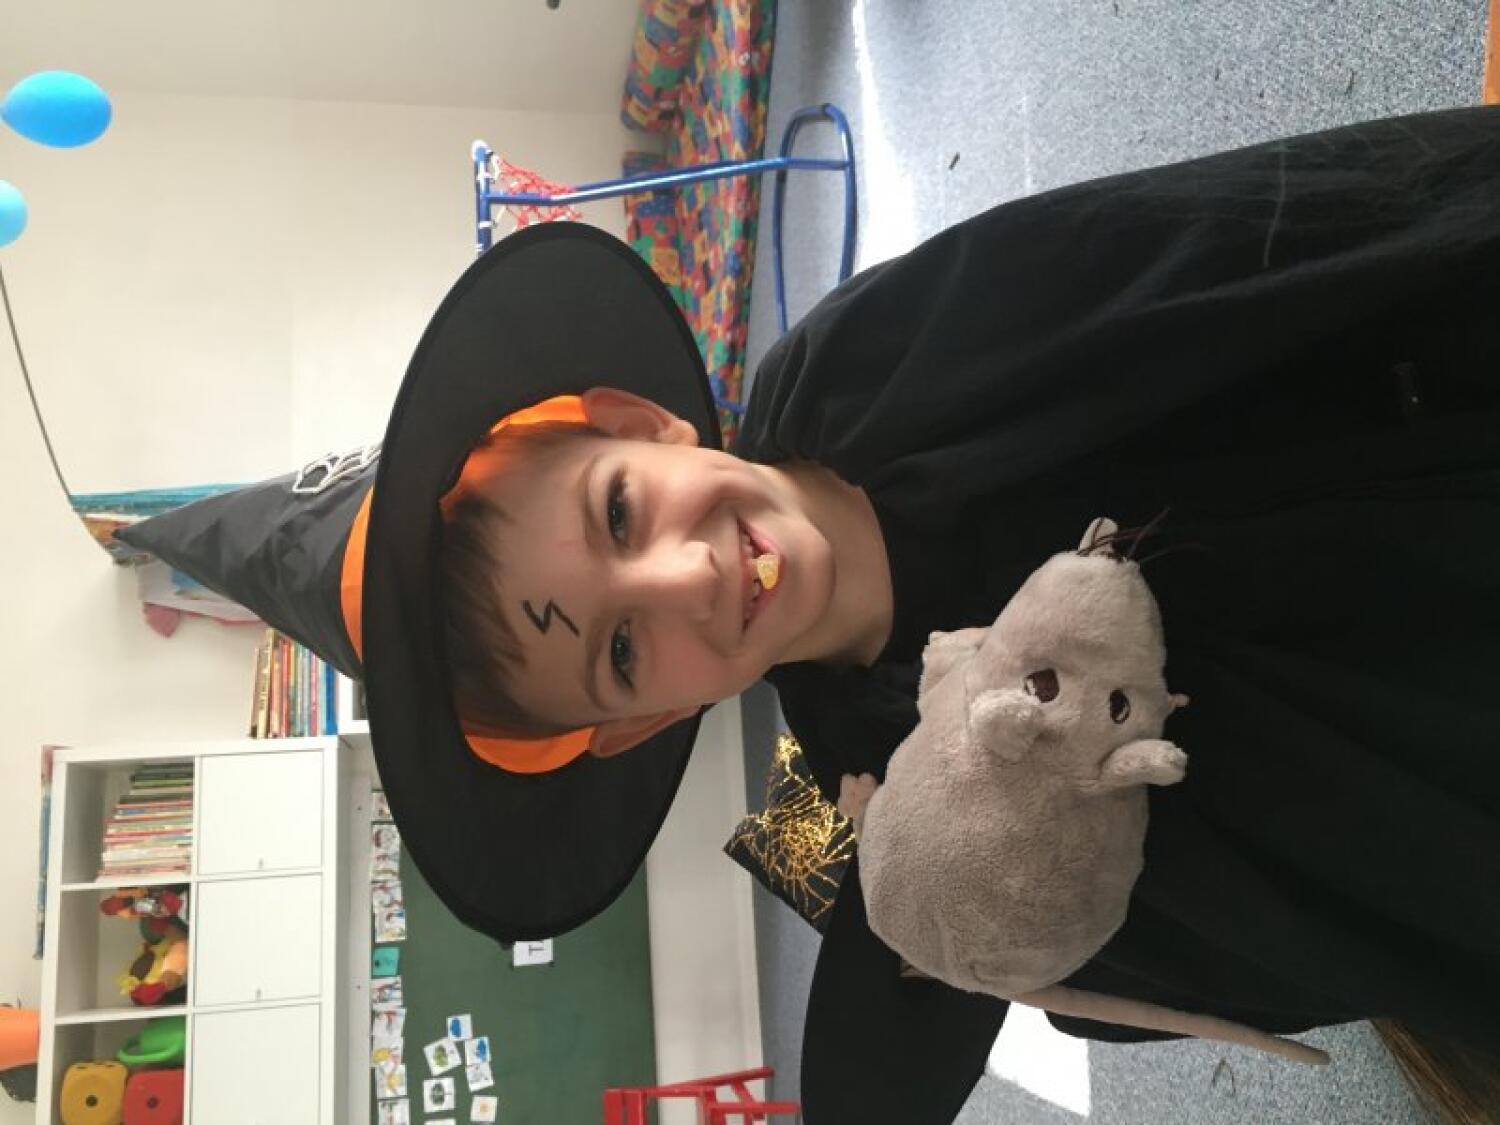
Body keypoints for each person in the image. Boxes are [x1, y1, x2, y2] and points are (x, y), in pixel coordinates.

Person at [118, 105, 1500, 1124]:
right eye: (619, 650)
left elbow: (1213, 263)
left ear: (636, 420)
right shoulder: (828, 801)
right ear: (641, 724)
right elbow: (902, 1024)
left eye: (619, 510)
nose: (688, 580)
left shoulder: (869, 356)